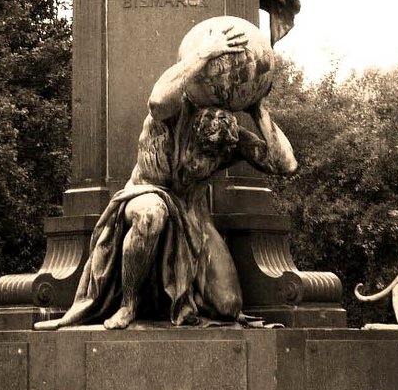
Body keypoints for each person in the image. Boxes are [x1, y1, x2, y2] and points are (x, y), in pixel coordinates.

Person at [36, 19, 297, 330]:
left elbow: (285, 165)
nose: (205, 161)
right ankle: (128, 305)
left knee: (228, 307)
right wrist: (204, 55)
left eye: (212, 157)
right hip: (145, 193)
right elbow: (157, 99)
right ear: (194, 129)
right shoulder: (170, 117)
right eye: (201, 152)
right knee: (150, 215)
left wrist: (257, 108)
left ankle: (175, 295)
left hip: (192, 216)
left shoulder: (227, 138)